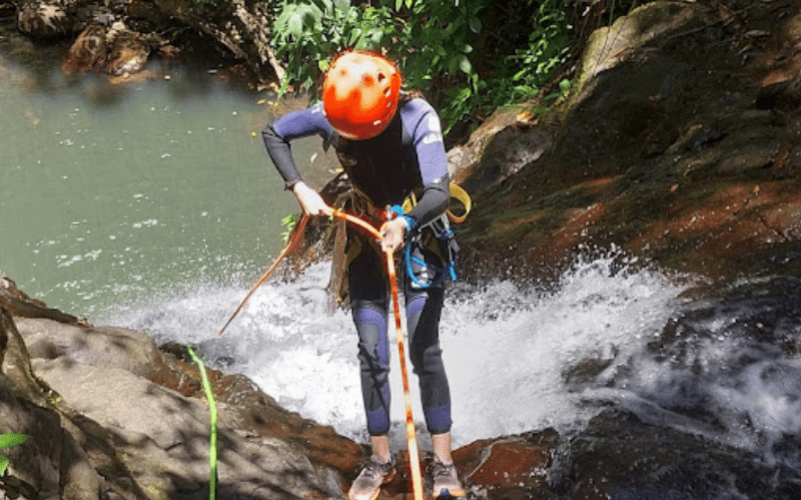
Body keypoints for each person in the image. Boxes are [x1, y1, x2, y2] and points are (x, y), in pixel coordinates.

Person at [262, 50, 464, 500]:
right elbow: (275, 132)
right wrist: (299, 186)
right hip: (366, 236)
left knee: (424, 349)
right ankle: (380, 459)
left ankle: (444, 463)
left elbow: (439, 192)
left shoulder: (417, 117)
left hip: (418, 237)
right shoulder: (333, 112)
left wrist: (405, 223)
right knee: (371, 350)